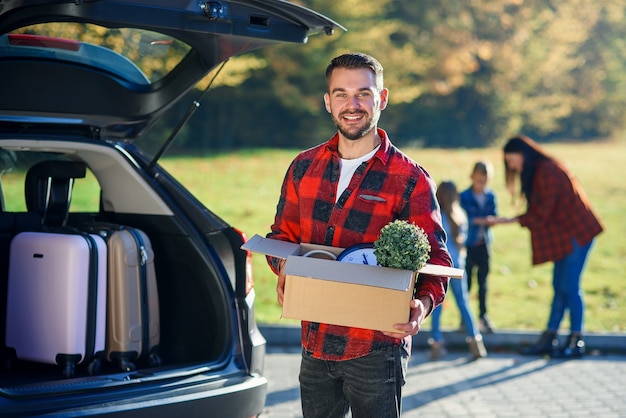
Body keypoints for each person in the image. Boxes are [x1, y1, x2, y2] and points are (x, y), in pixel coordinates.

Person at [266, 52, 452, 417]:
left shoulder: (409, 178)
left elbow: (436, 259)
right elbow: (280, 237)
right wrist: (283, 266)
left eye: (363, 94)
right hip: (315, 341)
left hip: (376, 346)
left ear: (381, 98)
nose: (352, 105)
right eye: (341, 94)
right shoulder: (304, 167)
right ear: (327, 101)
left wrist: (423, 305)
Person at [499, 135, 603, 358]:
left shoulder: (547, 170)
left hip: (577, 233)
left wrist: (511, 220)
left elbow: (542, 213)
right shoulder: (539, 171)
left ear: (523, 153)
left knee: (570, 287)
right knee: (560, 286)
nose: (512, 166)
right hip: (564, 236)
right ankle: (550, 337)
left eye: (512, 160)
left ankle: (577, 339)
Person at [429, 180, 487, 360]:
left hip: (440, 267)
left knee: (437, 305)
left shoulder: (437, 217)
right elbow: (464, 243)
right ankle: (476, 341)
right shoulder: (460, 216)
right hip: (458, 266)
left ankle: (436, 342)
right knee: (463, 302)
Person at [459, 160, 498, 333]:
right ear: (473, 177)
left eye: (485, 181)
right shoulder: (465, 196)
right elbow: (466, 218)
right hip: (469, 244)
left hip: (484, 244)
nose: (481, 184)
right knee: (467, 284)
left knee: (483, 283)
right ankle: (464, 319)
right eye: (479, 180)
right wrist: (484, 220)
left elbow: (493, 215)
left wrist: (493, 221)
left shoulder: (491, 196)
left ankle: (483, 316)